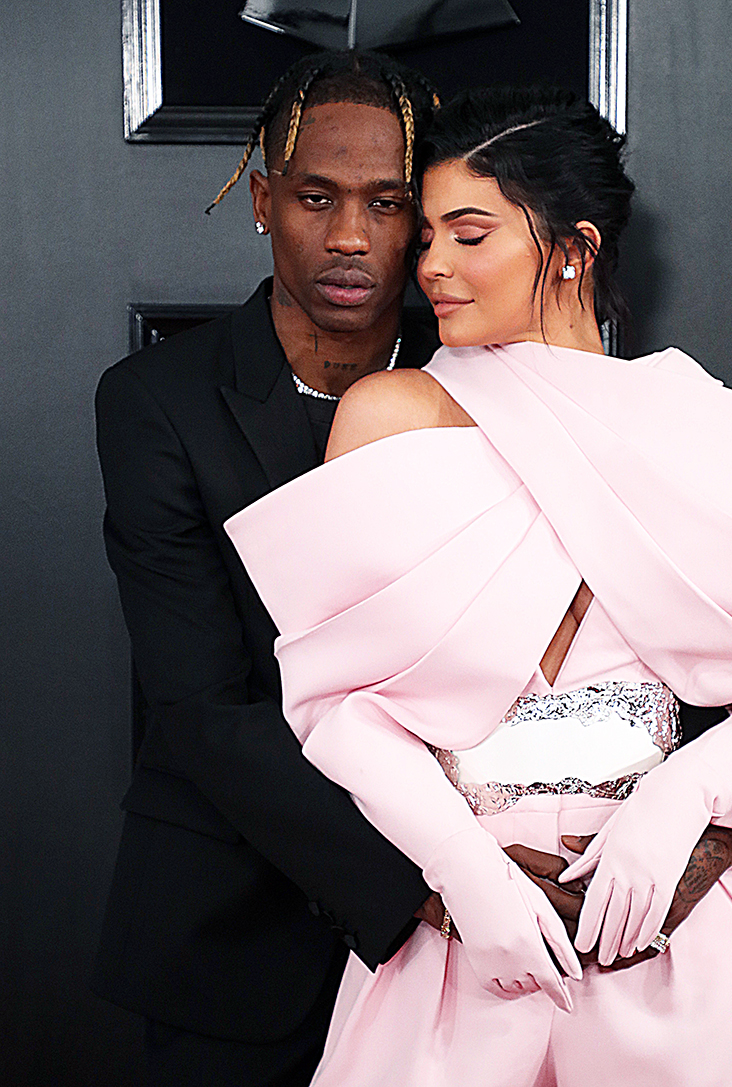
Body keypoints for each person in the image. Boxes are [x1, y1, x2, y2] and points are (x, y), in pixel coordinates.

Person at [225, 85, 732, 1085]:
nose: (429, 268)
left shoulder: (698, 428)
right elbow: (337, 705)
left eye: (468, 234)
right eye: (426, 238)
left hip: (670, 938)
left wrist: (688, 797)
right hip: (463, 943)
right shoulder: (391, 412)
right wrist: (458, 875)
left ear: (574, 247)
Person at [93, 50, 445, 1087]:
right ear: (261, 201)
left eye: (387, 203)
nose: (349, 237)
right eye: (316, 197)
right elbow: (200, 704)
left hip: (466, 961)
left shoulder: (479, 380)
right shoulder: (157, 400)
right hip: (229, 934)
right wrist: (425, 882)